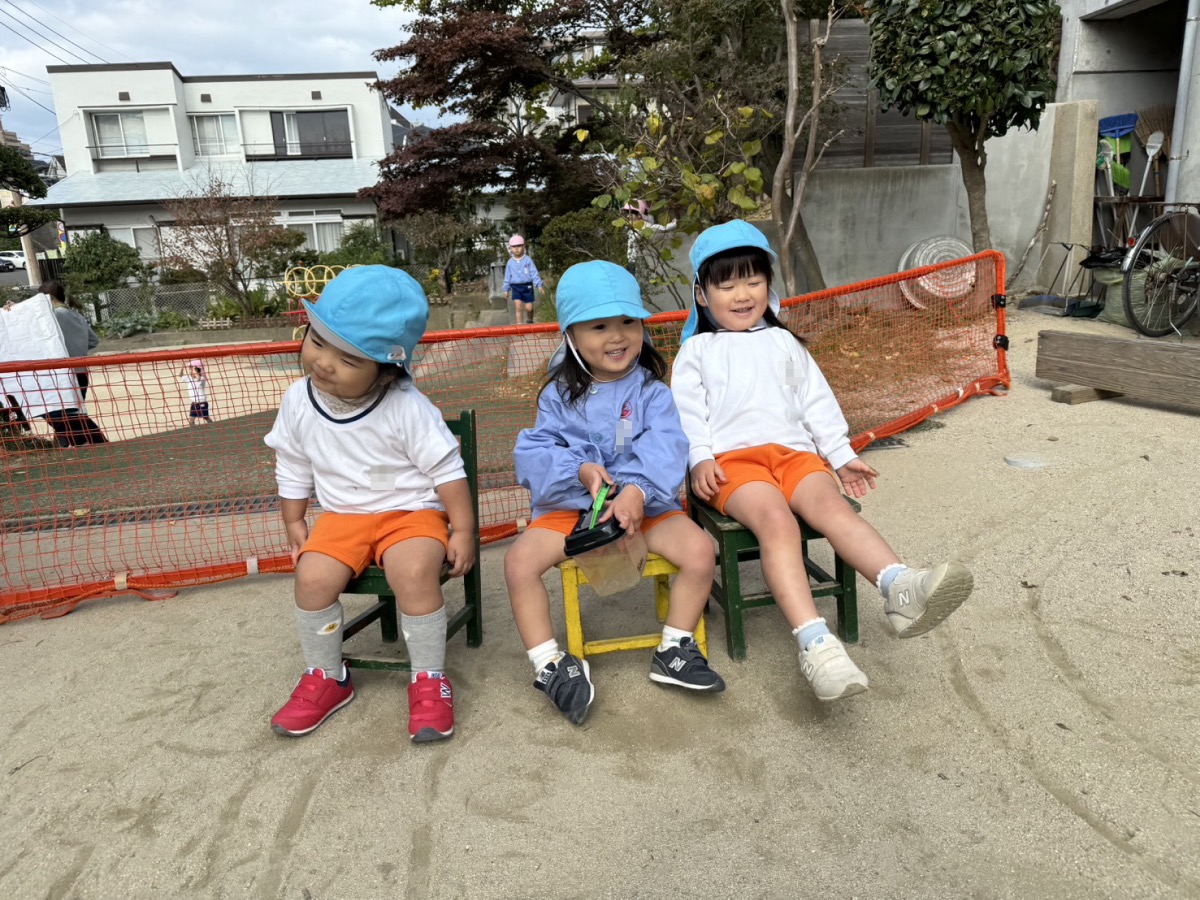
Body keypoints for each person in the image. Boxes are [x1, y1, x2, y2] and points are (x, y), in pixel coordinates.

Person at [671, 220, 974, 703]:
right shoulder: (697, 351)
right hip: (734, 465)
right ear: (702, 295)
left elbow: (816, 402)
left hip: (795, 456)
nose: (742, 294)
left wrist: (840, 454)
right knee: (777, 523)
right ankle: (815, 643)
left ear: (768, 285)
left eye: (753, 280)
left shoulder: (785, 343)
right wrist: (700, 458)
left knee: (832, 507)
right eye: (726, 285)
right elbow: (687, 413)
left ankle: (899, 586)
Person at [504, 260, 724, 726]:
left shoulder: (651, 392)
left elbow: (667, 444)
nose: (618, 336)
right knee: (518, 563)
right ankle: (548, 663)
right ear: (570, 334)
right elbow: (535, 452)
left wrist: (638, 490)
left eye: (628, 321)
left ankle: (675, 647)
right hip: (571, 505)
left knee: (701, 551)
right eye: (599, 326)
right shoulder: (557, 395)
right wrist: (580, 471)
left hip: (647, 504)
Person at [264, 265, 476, 742]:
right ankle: (328, 675)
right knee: (311, 577)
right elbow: (292, 462)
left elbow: (447, 470)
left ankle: (429, 677)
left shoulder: (406, 406)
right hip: (342, 516)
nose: (324, 363)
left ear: (386, 370)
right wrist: (294, 519)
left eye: (348, 358)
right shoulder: (297, 400)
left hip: (412, 513)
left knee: (413, 571)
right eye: (318, 342)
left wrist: (462, 529)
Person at [42, 280, 100, 401]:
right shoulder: (78, 316)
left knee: (63, 411)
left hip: (63, 376)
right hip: (81, 373)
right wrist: (77, 348)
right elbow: (93, 340)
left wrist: (17, 309)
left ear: (50, 298)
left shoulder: (53, 316)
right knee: (78, 410)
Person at [502, 234, 544, 325]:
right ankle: (520, 327)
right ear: (510, 248)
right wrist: (506, 289)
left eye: (519, 246)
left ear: (523, 246)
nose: (516, 248)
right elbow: (507, 276)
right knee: (518, 307)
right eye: (514, 246)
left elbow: (534, 272)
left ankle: (530, 321)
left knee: (529, 308)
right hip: (516, 287)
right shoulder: (510, 262)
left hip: (527, 287)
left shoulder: (528, 260)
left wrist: (539, 284)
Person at [179, 359, 213, 425]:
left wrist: (194, 369)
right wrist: (182, 368)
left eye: (191, 369)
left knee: (204, 418)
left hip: (201, 402)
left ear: (197, 370)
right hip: (194, 402)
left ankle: (213, 426)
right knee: (195, 419)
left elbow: (198, 378)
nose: (190, 371)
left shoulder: (202, 378)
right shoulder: (189, 378)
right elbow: (181, 376)